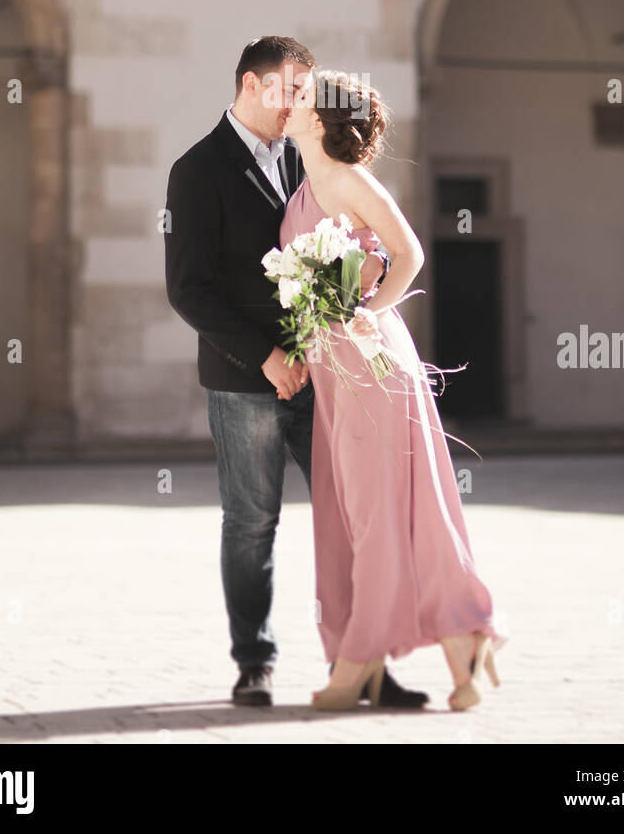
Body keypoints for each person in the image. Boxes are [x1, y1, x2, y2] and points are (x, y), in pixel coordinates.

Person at [164, 36, 429, 709]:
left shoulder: (311, 157)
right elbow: (189, 290)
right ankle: (254, 661)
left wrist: (363, 290)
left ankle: (362, 661)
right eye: (290, 86)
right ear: (252, 85)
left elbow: (358, 241)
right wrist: (267, 357)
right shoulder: (195, 170)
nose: (300, 101)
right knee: (252, 522)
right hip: (243, 378)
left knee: (352, 519)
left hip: (331, 378)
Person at [281, 68, 507, 711]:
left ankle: (361, 657)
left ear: (322, 118)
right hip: (333, 370)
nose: (288, 104)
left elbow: (409, 254)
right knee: (366, 509)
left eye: (300, 99)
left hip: (374, 365)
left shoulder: (350, 181)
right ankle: (463, 641)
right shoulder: (307, 185)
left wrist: (370, 310)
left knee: (383, 508)